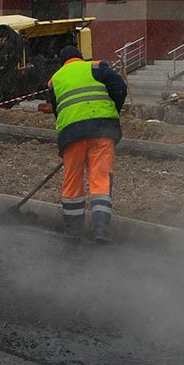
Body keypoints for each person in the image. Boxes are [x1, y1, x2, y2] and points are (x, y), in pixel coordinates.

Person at [45, 44, 127, 243]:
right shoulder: (97, 67)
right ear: (81, 57)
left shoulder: (54, 81)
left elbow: (59, 112)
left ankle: (73, 231)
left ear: (62, 63)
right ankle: (100, 230)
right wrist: (113, 111)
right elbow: (120, 88)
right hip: (102, 131)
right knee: (100, 179)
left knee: (72, 182)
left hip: (72, 135)